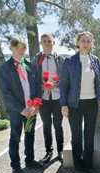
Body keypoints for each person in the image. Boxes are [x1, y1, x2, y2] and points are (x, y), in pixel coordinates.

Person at [60, 31, 100, 173]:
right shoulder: (69, 61)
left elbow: (99, 82)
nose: (86, 44)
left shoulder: (96, 61)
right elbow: (64, 85)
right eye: (83, 41)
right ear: (78, 43)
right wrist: (64, 104)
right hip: (75, 104)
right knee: (77, 135)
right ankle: (78, 167)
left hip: (92, 103)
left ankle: (88, 165)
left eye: (88, 41)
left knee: (89, 134)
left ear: (91, 43)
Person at [0, 38, 43, 173]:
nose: (22, 50)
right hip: (17, 112)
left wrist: (36, 104)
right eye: (20, 47)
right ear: (12, 48)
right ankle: (16, 166)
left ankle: (29, 160)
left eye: (24, 48)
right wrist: (21, 109)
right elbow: (6, 93)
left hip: (31, 110)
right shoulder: (4, 68)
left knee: (30, 134)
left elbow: (37, 86)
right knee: (15, 138)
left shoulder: (30, 66)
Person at [33, 33, 64, 164]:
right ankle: (48, 151)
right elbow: (33, 78)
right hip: (43, 98)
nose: (47, 43)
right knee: (46, 125)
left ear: (53, 43)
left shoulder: (60, 59)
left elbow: (65, 78)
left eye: (49, 41)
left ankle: (60, 151)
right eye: (44, 41)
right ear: (41, 43)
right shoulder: (37, 59)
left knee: (58, 125)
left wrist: (55, 84)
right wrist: (42, 85)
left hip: (57, 97)